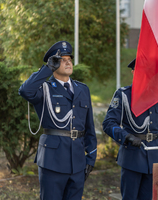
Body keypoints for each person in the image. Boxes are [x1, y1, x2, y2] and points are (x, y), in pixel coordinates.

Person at [19, 41, 97, 199]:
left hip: (78, 162)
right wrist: (47, 69)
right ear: (54, 64)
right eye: (62, 59)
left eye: (70, 58)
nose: (68, 61)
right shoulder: (44, 89)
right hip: (52, 162)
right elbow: (25, 91)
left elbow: (89, 127)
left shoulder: (83, 89)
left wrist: (91, 157)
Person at [102, 59, 158, 200]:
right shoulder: (124, 95)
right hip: (132, 155)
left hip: (153, 157)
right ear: (133, 72)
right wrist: (126, 137)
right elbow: (108, 123)